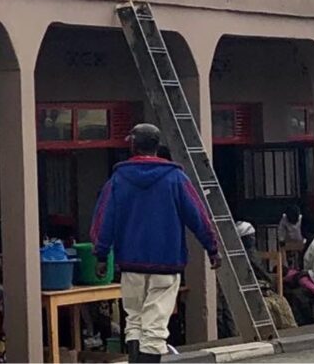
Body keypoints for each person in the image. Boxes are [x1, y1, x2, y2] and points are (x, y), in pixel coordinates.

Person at [90, 123, 221, 363]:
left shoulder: (118, 179)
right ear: (157, 146)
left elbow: (104, 218)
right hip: (166, 263)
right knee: (155, 327)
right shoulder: (176, 178)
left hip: (130, 264)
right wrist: (211, 248)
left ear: (132, 145)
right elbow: (198, 216)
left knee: (134, 320)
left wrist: (101, 254)